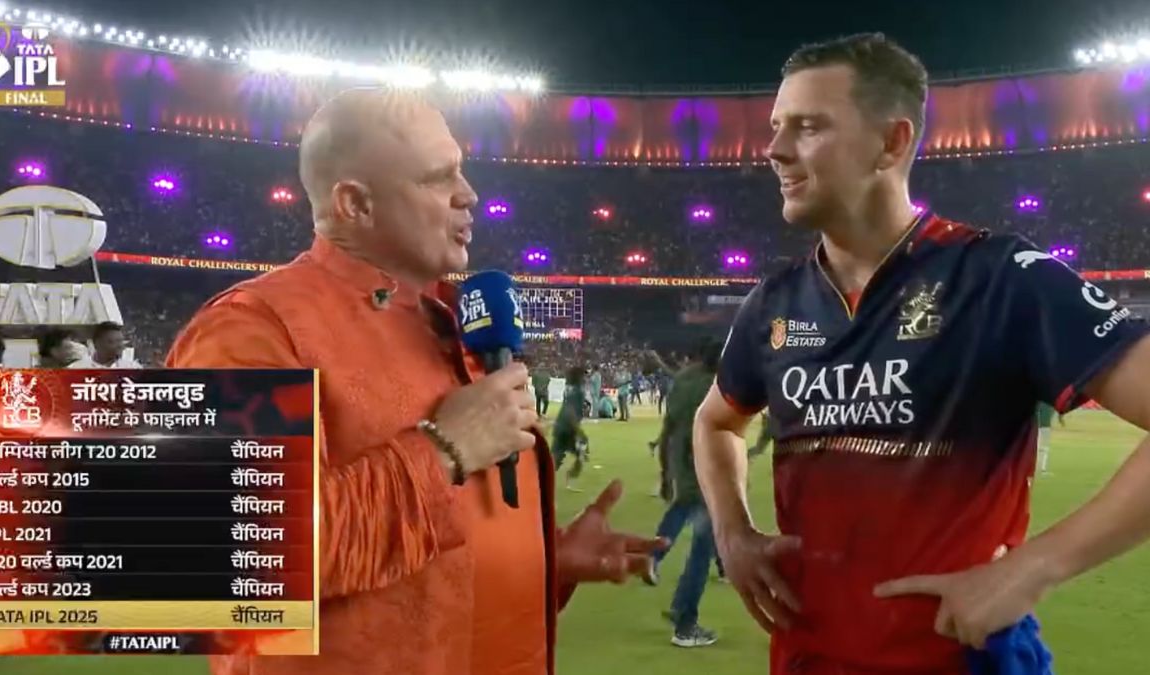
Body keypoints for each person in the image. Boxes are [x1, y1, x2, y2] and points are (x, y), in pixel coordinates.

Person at [694, 33, 1150, 675]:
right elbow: (715, 422)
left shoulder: (998, 277)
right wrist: (732, 531)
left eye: (809, 127)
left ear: (892, 142)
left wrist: (1034, 568)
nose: (774, 150)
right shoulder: (774, 302)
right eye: (776, 127)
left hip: (956, 659)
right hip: (806, 659)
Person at [167, 89, 662, 675]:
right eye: (438, 177)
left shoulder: (454, 326)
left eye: (461, 170)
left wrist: (545, 561)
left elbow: (437, 574)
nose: (469, 193)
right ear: (355, 203)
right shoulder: (248, 328)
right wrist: (443, 450)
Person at [647, 337, 724, 647]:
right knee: (702, 550)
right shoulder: (714, 387)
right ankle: (685, 625)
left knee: (682, 514)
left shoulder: (683, 380)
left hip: (681, 467)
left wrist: (666, 473)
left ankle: (657, 566)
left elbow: (668, 429)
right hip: (706, 473)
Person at [553, 366, 590, 492]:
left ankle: (542, 480)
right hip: (568, 429)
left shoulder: (569, 389)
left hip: (561, 425)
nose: (586, 379)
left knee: (558, 457)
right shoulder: (578, 391)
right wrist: (579, 430)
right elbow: (570, 412)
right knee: (580, 453)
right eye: (584, 376)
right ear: (579, 377)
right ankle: (567, 477)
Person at [69, 322, 142, 369]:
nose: (120, 346)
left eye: (120, 341)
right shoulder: (76, 369)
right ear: (97, 343)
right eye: (114, 342)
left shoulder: (133, 368)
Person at [1035, 401, 1055, 475]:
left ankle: (1041, 468)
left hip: (1042, 427)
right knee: (1042, 448)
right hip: (1042, 427)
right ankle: (1041, 468)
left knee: (1042, 448)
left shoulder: (1040, 404)